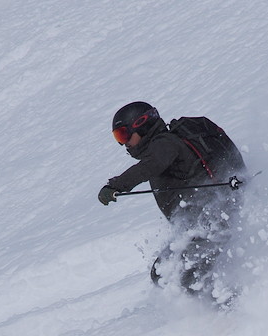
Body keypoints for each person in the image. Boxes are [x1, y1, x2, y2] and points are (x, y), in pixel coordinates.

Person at [98, 101, 247, 305]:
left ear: (142, 125)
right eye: (118, 137)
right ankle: (219, 309)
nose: (123, 143)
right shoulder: (162, 145)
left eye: (124, 134)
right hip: (198, 226)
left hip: (213, 221)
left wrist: (116, 186)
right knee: (161, 273)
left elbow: (150, 166)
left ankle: (235, 312)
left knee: (188, 276)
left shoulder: (164, 144)